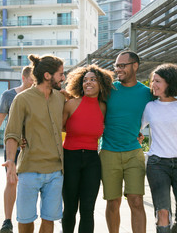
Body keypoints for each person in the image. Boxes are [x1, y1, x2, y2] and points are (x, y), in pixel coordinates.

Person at [100, 50, 177, 233]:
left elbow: (168, 100)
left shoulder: (147, 92)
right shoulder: (109, 90)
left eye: (122, 65)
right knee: (113, 201)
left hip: (134, 153)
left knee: (136, 201)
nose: (118, 69)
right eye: (116, 65)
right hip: (108, 151)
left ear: (135, 66)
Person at [3, 54, 66, 233]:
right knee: (25, 220)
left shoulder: (61, 98)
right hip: (29, 170)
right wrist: (10, 162)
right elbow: (12, 133)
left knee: (49, 220)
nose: (63, 77)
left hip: (55, 171)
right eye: (60, 74)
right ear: (47, 75)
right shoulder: (22, 99)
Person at [141, 64, 177, 233]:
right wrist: (137, 136)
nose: (153, 84)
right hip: (157, 165)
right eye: (153, 81)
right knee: (163, 213)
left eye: (158, 81)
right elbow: (136, 128)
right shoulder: (150, 107)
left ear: (170, 83)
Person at [61, 65, 114, 233]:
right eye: (85, 80)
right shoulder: (70, 104)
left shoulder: (104, 107)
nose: (88, 83)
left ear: (101, 84)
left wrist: (137, 134)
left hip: (92, 160)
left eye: (93, 79)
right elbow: (57, 129)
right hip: (70, 158)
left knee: (87, 210)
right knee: (70, 209)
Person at [0, 66, 33, 233]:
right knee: (11, 181)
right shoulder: (9, 95)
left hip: (32, 148)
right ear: (24, 78)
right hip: (13, 147)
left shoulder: (39, 95)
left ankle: (28, 218)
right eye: (32, 79)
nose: (34, 82)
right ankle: (7, 221)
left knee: (30, 184)